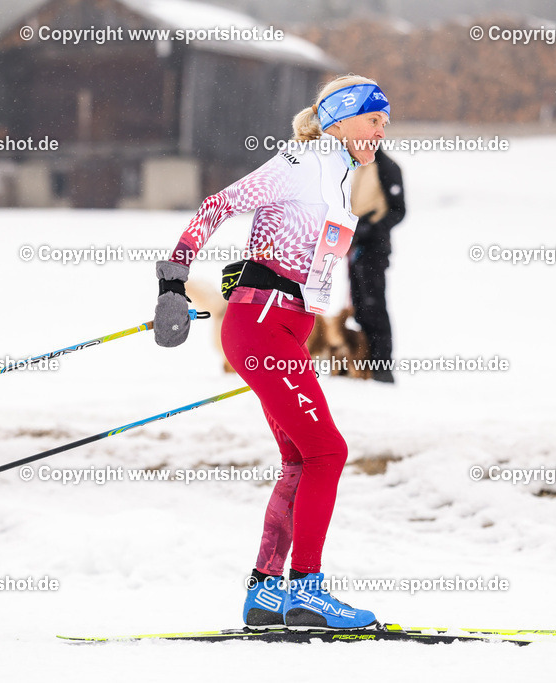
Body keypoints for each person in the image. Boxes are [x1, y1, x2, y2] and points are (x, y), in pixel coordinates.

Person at [152, 75, 390, 630]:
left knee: (300, 461)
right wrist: (172, 285)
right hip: (261, 324)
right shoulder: (301, 163)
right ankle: (307, 592)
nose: (382, 128)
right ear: (338, 119)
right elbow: (217, 206)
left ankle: (264, 594)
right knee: (327, 452)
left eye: (386, 120)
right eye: (373, 117)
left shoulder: (340, 175)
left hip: (284, 327)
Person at [348, 147, 405, 383]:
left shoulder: (388, 167)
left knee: (375, 306)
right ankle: (365, 363)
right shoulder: (358, 166)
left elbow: (399, 210)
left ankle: (382, 366)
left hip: (375, 249)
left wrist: (371, 228)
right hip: (354, 247)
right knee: (359, 306)